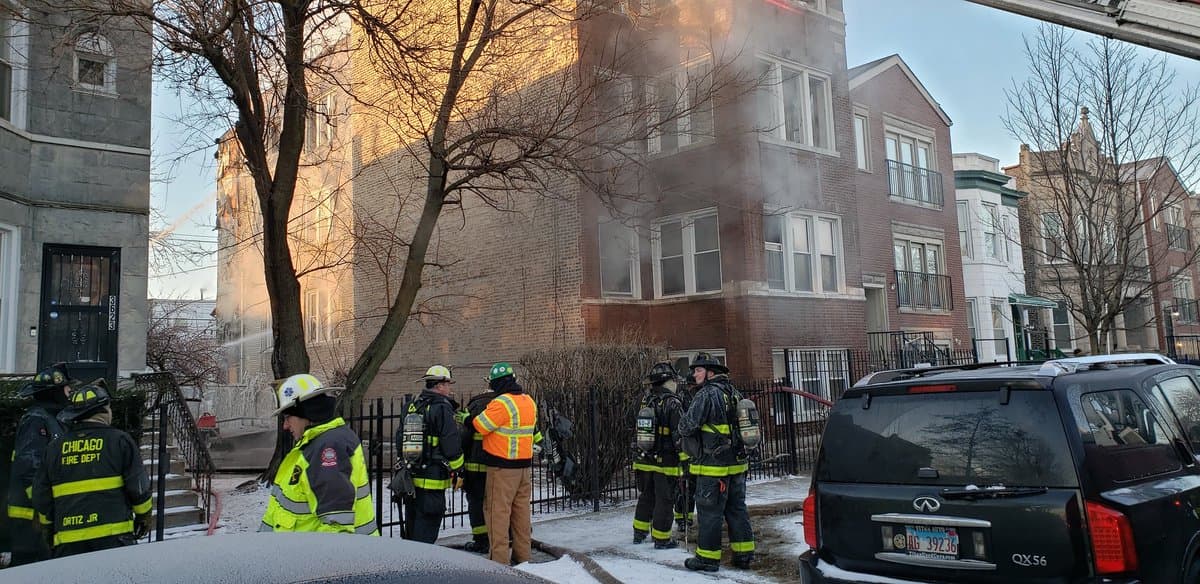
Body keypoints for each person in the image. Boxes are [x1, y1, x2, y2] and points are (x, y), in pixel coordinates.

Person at [31, 383, 152, 558]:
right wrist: (143, 517)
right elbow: (138, 486)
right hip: (113, 539)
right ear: (103, 411)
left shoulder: (55, 447)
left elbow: (41, 494)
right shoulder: (119, 441)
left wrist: (48, 527)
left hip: (68, 541)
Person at [260, 374, 378, 535]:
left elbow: (336, 531)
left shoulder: (327, 449)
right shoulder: (317, 444)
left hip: (309, 558)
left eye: (288, 417)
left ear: (307, 413)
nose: (285, 426)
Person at [677, 353, 754, 573]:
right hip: (737, 466)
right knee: (737, 509)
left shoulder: (706, 395)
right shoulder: (736, 394)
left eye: (698, 370)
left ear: (711, 373)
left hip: (713, 467)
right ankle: (744, 555)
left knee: (709, 511)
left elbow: (686, 426)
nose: (694, 374)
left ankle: (707, 559)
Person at [473, 362, 541, 565]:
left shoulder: (501, 403)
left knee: (497, 515)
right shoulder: (528, 401)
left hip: (502, 468)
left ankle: (499, 562)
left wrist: (468, 418)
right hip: (523, 468)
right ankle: (523, 558)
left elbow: (481, 426)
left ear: (495, 384)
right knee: (521, 513)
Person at [7, 365, 74, 565]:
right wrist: (43, 506)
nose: (70, 392)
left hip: (42, 512)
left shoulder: (53, 419)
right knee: (29, 567)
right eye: (66, 388)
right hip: (31, 515)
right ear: (54, 392)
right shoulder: (36, 421)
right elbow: (30, 468)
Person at [399, 365, 464, 543]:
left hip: (412, 480)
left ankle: (410, 562)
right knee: (428, 527)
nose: (450, 388)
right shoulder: (442, 407)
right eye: (448, 384)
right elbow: (451, 443)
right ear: (439, 385)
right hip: (434, 479)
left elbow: (400, 439)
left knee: (413, 523)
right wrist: (459, 469)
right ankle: (422, 565)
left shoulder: (412, 406)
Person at [631, 362, 685, 549]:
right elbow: (679, 436)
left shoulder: (644, 401)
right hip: (666, 462)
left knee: (646, 496)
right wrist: (685, 460)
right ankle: (662, 539)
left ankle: (639, 533)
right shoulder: (673, 403)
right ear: (668, 381)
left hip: (643, 459)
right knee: (665, 499)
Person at [458, 384, 497, 553]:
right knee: (498, 503)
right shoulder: (503, 405)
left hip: (474, 466)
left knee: (476, 503)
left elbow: (464, 437)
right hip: (497, 464)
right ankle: (503, 535)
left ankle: (481, 541)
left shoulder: (474, 406)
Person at [673, 369, 697, 533]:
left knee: (692, 487)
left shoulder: (697, 398)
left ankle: (687, 518)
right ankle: (681, 518)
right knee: (682, 486)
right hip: (683, 451)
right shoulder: (682, 400)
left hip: (693, 451)